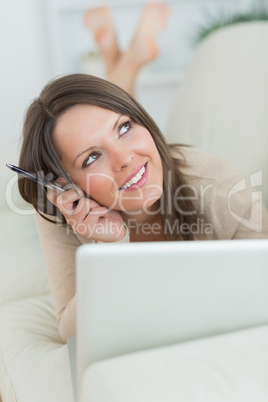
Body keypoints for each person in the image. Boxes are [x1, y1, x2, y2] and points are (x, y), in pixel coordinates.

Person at [18, 4, 268, 343]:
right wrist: (109, 247)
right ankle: (123, 58)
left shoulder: (223, 188)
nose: (125, 159)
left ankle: (125, 59)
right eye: (92, 157)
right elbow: (72, 332)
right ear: (67, 184)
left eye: (125, 127)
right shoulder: (61, 207)